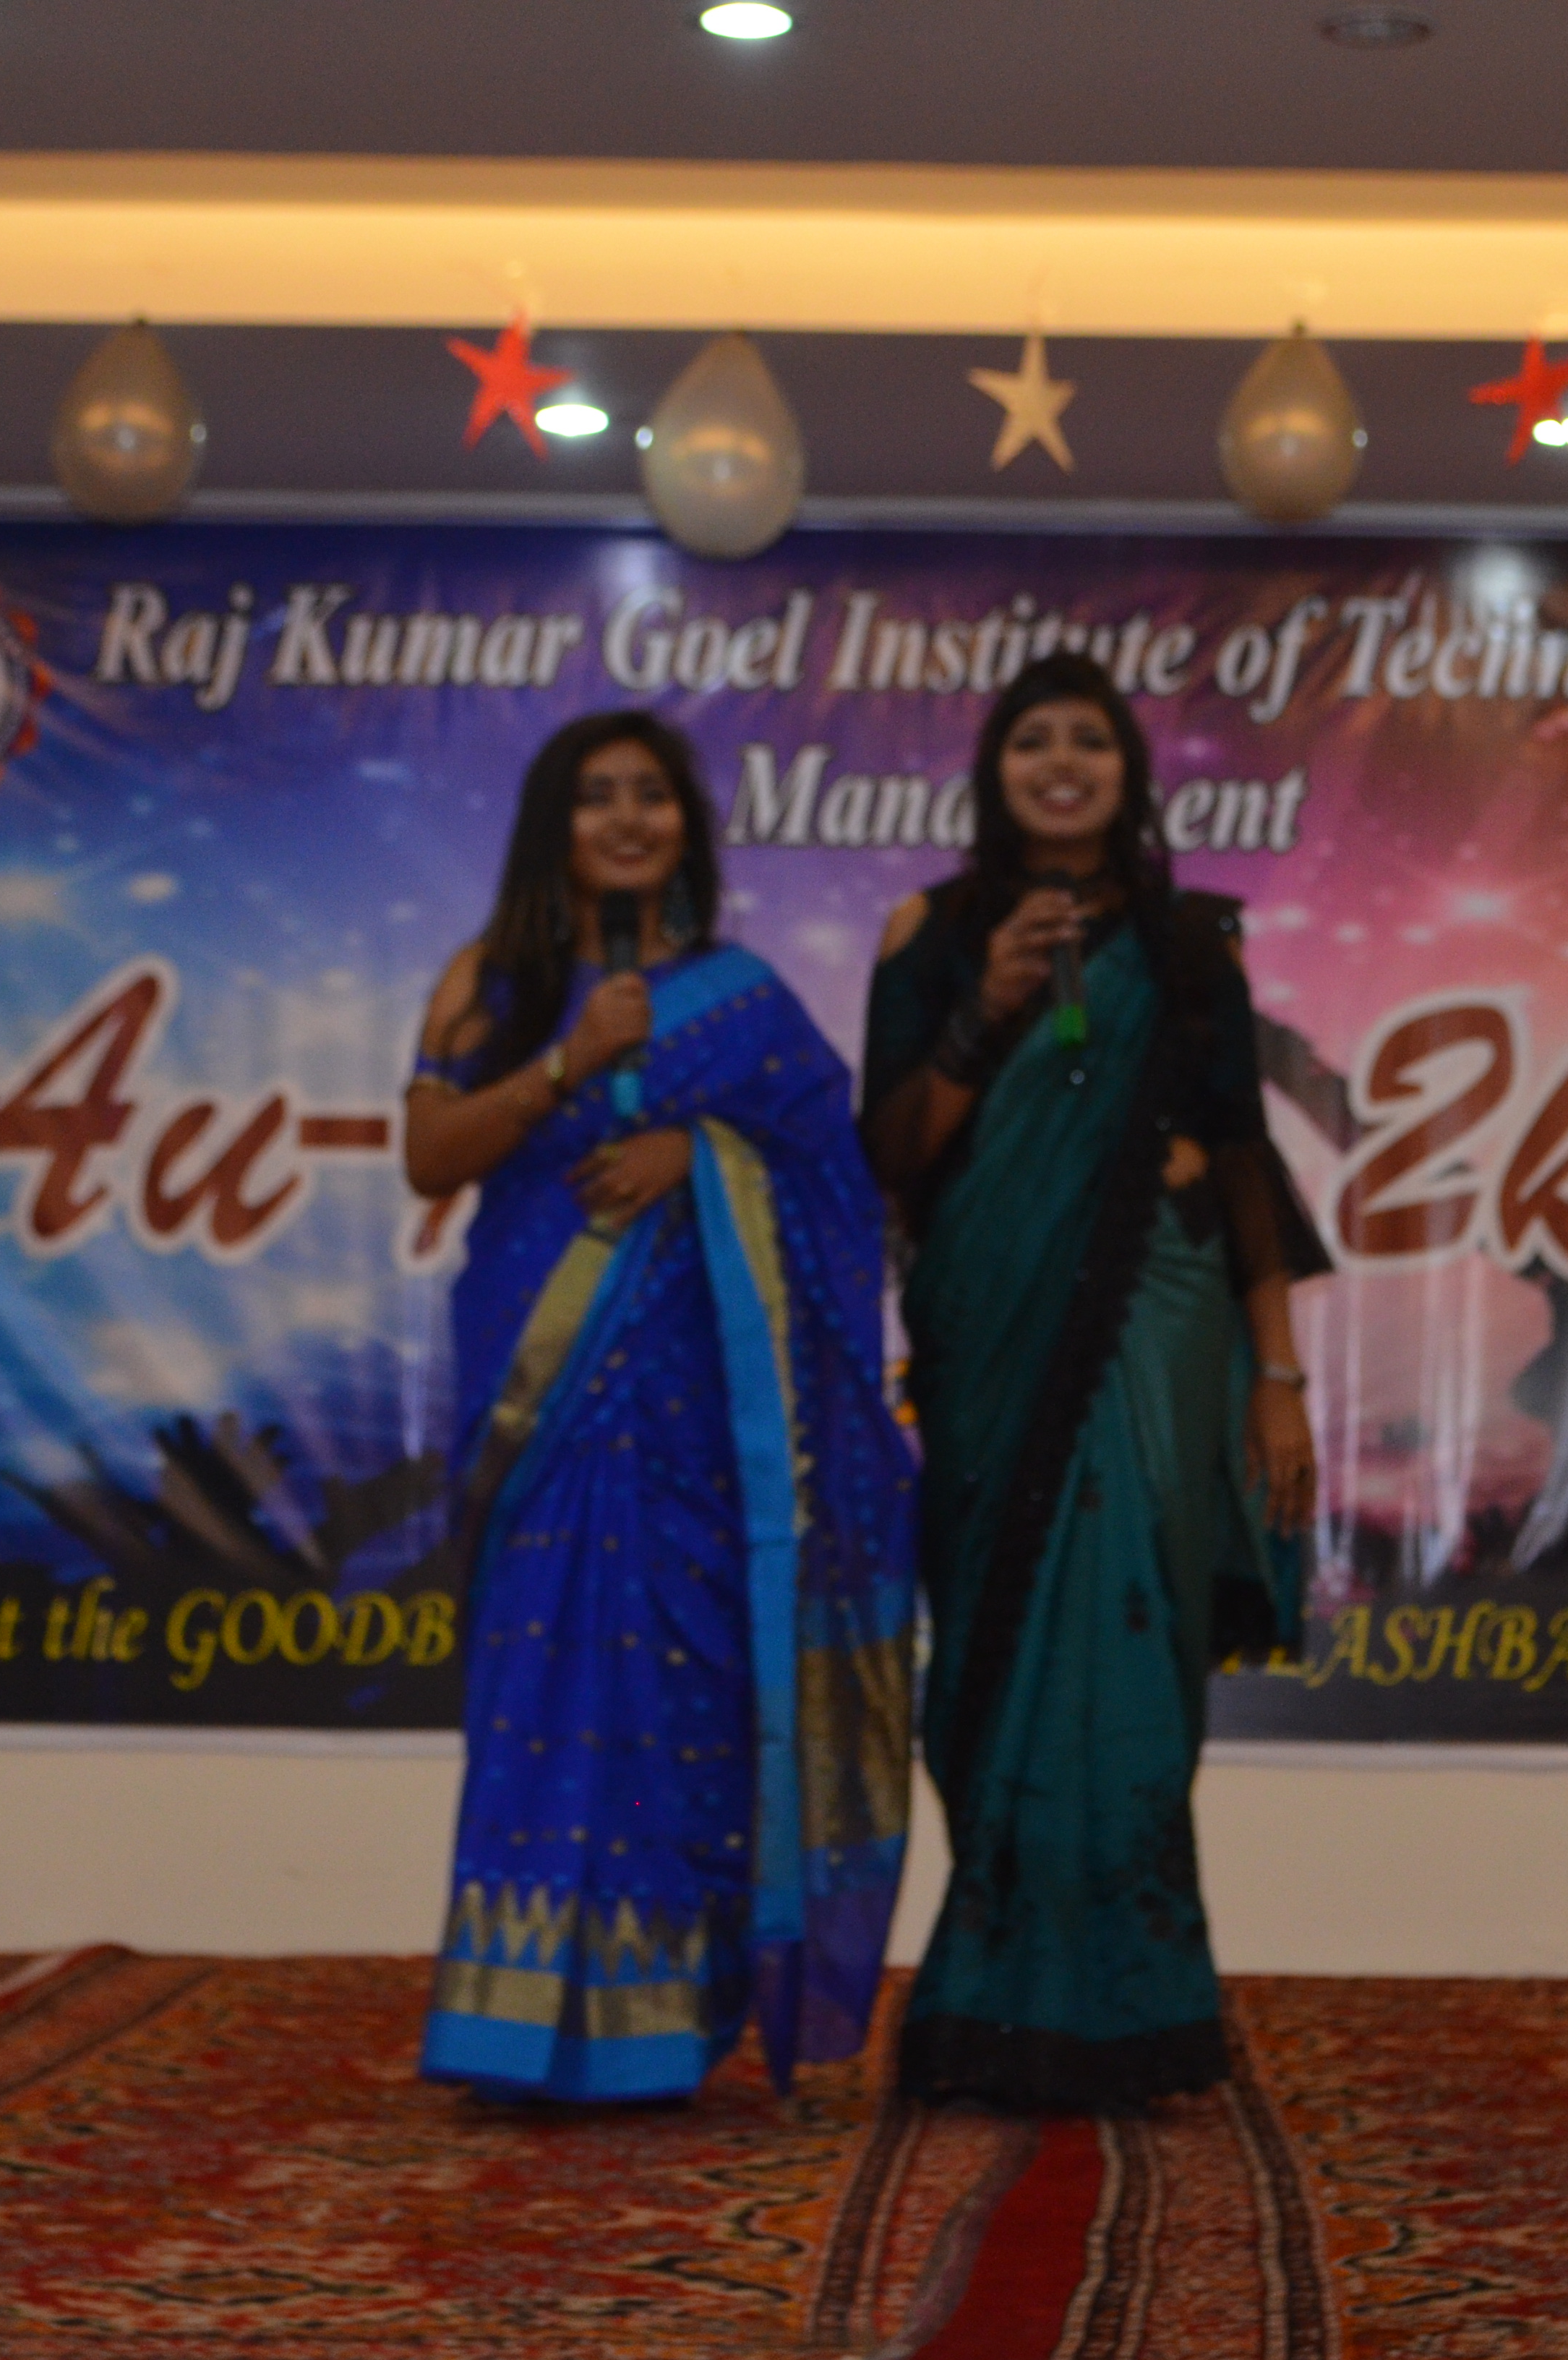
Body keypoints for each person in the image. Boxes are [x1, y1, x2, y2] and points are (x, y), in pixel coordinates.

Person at [403, 711, 915, 2103]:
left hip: (697, 1417)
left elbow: (835, 1188)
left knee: (688, 1684)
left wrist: (702, 1149)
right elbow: (429, 1154)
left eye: (651, 794)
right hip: (543, 1393)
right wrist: (566, 1062)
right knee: (541, 1683)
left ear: (685, 824)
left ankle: (664, 2020)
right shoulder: (488, 979)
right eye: (596, 796)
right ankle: (513, 2021)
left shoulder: (741, 996)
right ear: (553, 825)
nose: (626, 818)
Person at [862, 652, 1329, 2113]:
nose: (1060, 764)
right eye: (1031, 742)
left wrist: (1276, 1374)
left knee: (1133, 1629)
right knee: (990, 1648)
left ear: (1127, 772)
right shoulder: (930, 931)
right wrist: (984, 1005)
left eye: (1089, 741)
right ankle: (991, 1992)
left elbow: (1241, 1157)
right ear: (993, 771)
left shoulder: (1190, 943)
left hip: (1155, 1316)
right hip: (987, 1326)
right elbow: (891, 1153)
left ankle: (1135, 2002)